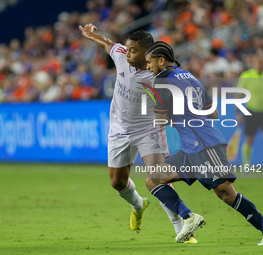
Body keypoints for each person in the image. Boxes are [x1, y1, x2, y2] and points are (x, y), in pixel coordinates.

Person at [144, 41, 263, 245]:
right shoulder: (190, 76)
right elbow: (213, 112)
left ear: (161, 61)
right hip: (191, 148)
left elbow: (161, 120)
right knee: (153, 180)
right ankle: (189, 217)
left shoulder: (162, 80)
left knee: (226, 193)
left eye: (149, 62)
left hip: (205, 145)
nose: (147, 67)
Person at [79, 24, 197, 243]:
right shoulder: (122, 55)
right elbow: (107, 43)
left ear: (147, 53)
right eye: (127, 48)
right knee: (117, 182)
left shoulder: (160, 76)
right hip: (119, 129)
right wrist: (90, 35)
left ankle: (181, 228)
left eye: (133, 50)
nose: (127, 52)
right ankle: (138, 204)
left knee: (158, 177)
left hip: (148, 130)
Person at [236, 55, 263, 168]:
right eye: (257, 62)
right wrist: (238, 113)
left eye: (261, 62)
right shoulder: (247, 76)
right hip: (251, 111)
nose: (260, 64)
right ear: (253, 63)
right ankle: (246, 164)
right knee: (249, 139)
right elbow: (238, 95)